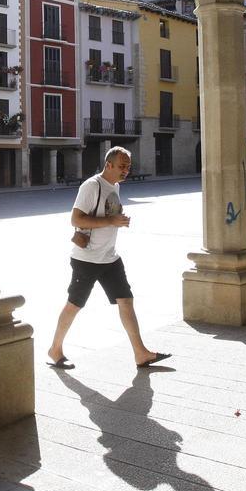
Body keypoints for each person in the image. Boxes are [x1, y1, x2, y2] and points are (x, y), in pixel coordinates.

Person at [47, 146, 170, 371]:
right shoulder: (91, 186)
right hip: (87, 259)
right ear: (109, 165)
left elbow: (107, 215)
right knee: (74, 304)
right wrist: (112, 222)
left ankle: (140, 353)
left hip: (110, 258)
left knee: (126, 300)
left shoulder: (115, 186)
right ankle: (55, 349)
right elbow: (76, 219)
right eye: (122, 166)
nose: (126, 171)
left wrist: (117, 220)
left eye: (128, 167)